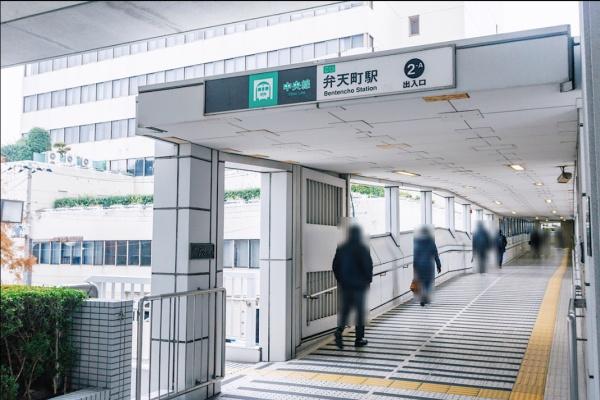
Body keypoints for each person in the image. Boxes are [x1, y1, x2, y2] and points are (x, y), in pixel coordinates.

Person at [332, 225, 373, 349]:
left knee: (345, 311)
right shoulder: (362, 248)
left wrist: (340, 280)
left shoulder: (341, 247)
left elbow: (335, 266)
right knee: (360, 313)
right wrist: (368, 282)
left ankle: (339, 331)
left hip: (345, 285)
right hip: (359, 286)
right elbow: (368, 266)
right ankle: (359, 339)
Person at [412, 225, 441, 307]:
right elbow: (435, 254)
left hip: (420, 265)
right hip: (429, 265)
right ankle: (425, 296)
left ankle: (422, 296)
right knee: (428, 282)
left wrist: (414, 267)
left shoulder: (417, 242)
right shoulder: (431, 242)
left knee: (421, 281)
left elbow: (416, 255)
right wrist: (438, 265)